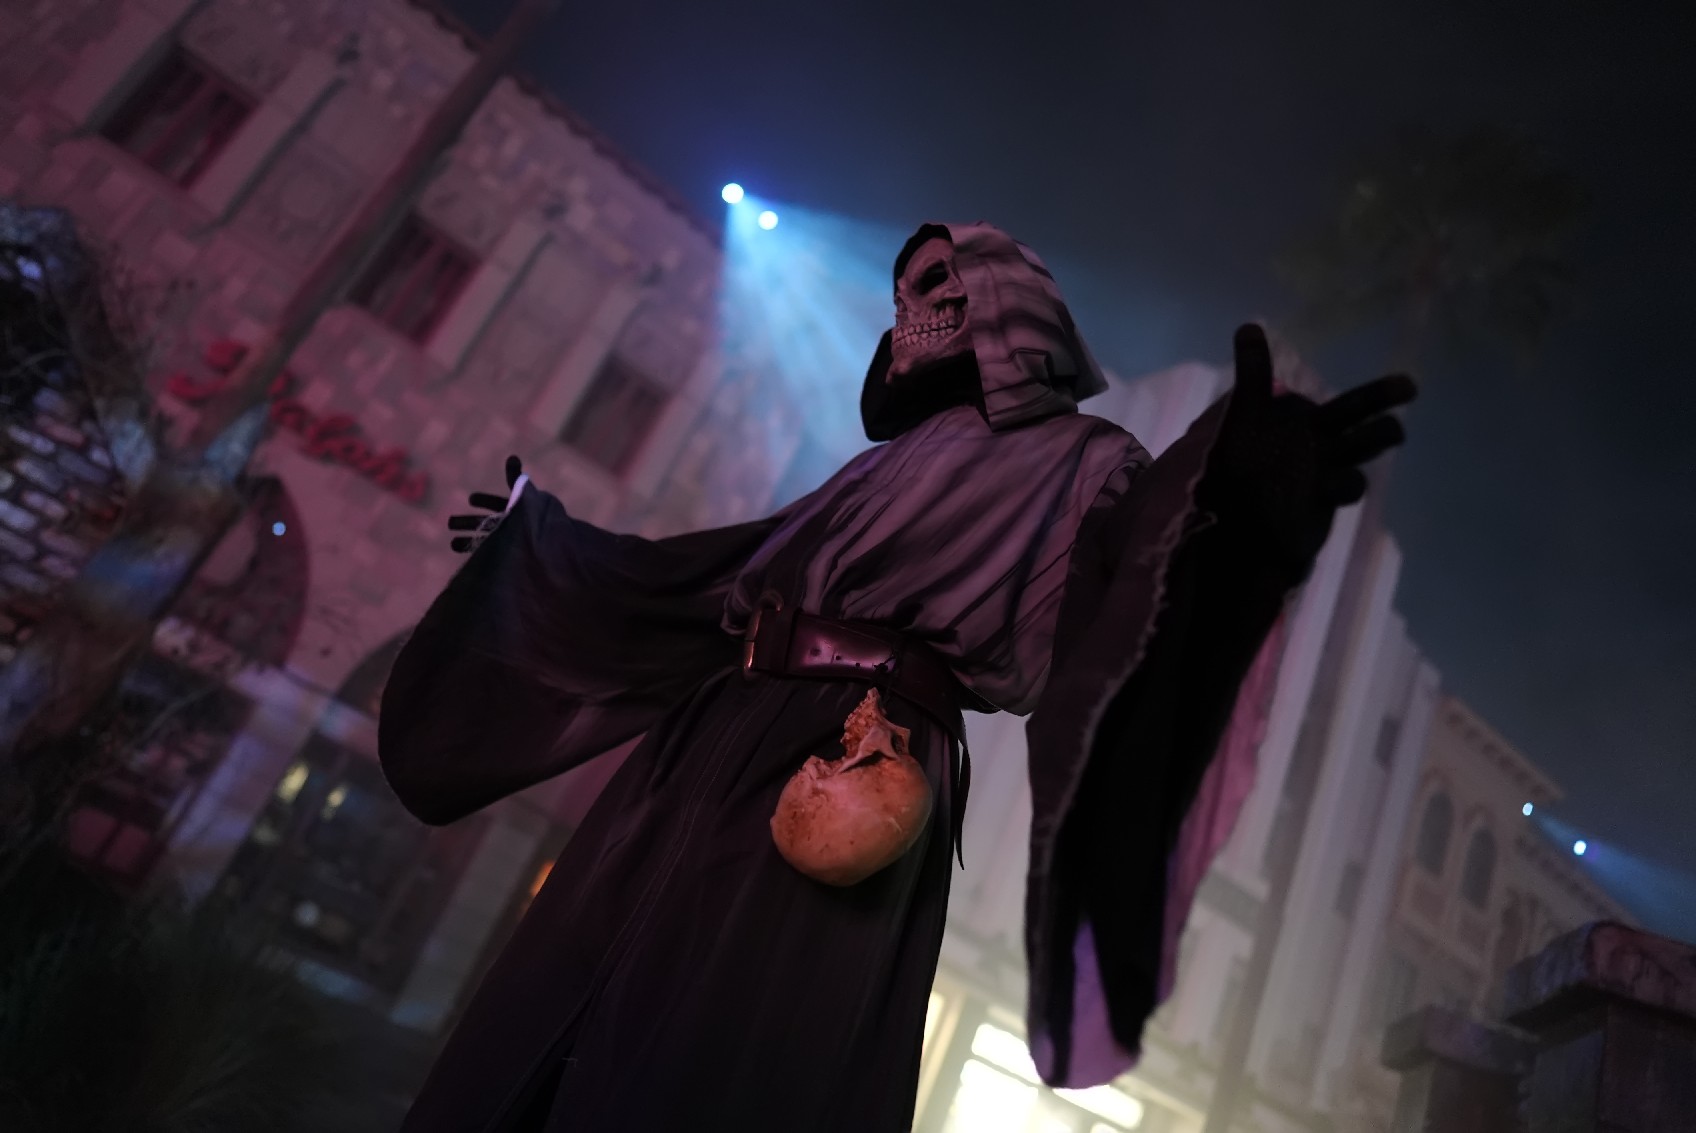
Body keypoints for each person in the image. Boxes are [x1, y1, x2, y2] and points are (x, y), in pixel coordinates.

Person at [379, 222, 1415, 1131]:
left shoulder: (1091, 460)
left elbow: (1142, 586)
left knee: (727, 1042)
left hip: (861, 761)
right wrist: (542, 546)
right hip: (708, 744)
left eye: (941, 283)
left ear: (1011, 309)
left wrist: (1232, 504)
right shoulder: (897, 455)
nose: (913, 306)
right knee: (570, 992)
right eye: (907, 287)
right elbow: (718, 576)